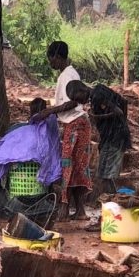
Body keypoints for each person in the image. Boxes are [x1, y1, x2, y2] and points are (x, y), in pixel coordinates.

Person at [35, 41, 91, 221]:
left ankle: (65, 208)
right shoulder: (69, 73)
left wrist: (49, 111)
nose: (50, 63)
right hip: (77, 123)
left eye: (50, 59)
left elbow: (73, 102)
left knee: (68, 166)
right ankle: (80, 210)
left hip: (75, 123)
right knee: (76, 167)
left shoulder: (67, 75)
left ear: (57, 57)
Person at [66, 80, 131, 195]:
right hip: (114, 137)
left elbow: (119, 112)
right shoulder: (99, 90)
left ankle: (113, 203)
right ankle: (112, 200)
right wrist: (122, 125)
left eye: (77, 98)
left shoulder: (97, 96)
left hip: (114, 139)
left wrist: (97, 116)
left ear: (83, 89)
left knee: (105, 176)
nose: (78, 102)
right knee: (105, 175)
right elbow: (124, 102)